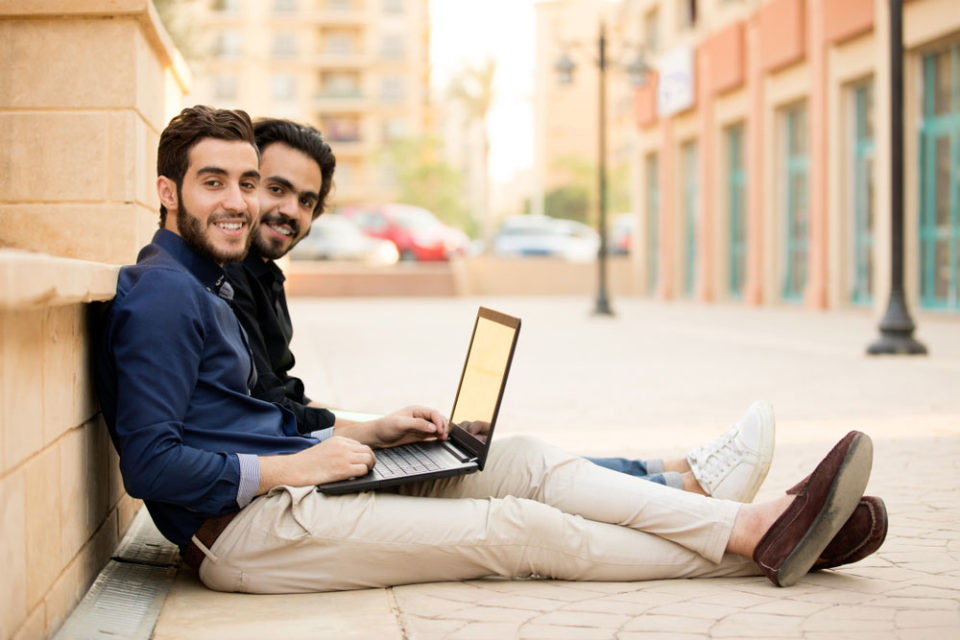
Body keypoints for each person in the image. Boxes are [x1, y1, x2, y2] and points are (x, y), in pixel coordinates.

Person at [94, 105, 887, 596]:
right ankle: (763, 543)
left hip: (296, 487)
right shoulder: (164, 291)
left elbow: (240, 416)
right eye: (213, 184)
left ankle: (749, 522)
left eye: (244, 182)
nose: (238, 202)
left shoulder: (212, 279)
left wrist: (359, 435)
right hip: (240, 535)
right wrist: (295, 465)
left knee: (522, 461)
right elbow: (152, 467)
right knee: (517, 532)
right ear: (168, 191)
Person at [225, 118, 773, 502]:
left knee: (510, 456)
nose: (290, 210)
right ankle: (688, 490)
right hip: (296, 479)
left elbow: (282, 400)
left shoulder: (261, 276)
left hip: (314, 457)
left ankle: (677, 472)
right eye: (277, 188)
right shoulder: (228, 283)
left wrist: (377, 424)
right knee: (522, 470)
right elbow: (268, 422)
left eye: (306, 201)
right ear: (246, 185)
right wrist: (363, 435)